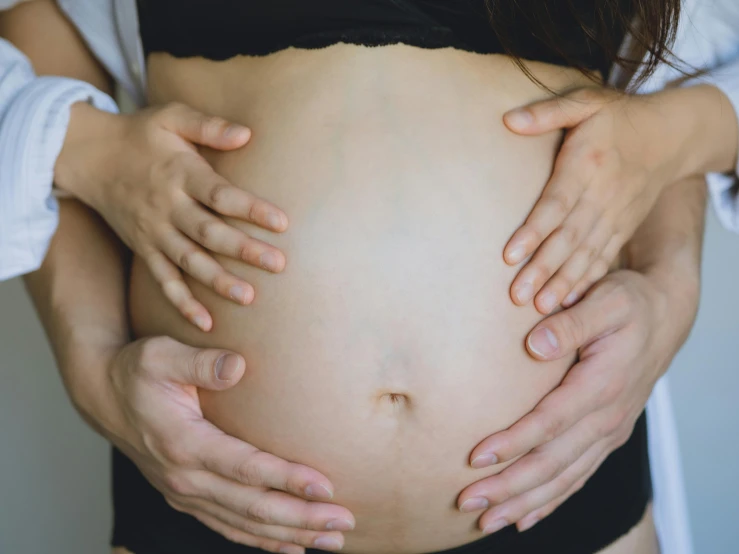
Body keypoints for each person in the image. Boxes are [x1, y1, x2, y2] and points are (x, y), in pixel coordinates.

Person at [0, 1, 734, 553]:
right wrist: (91, 362)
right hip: (205, 485)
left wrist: (671, 286)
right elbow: (39, 24)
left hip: (560, 478)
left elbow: (680, 63)